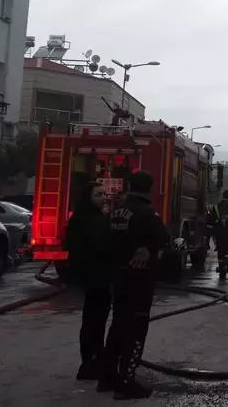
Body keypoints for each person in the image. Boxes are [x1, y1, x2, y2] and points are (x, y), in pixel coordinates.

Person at [102, 171, 169, 400]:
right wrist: (148, 249)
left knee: (117, 326)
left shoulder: (115, 211)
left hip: (117, 276)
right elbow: (164, 237)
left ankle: (107, 378)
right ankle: (126, 383)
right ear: (149, 188)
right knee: (136, 330)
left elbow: (109, 240)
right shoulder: (147, 212)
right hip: (139, 278)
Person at [66, 182, 111, 382]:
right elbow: (98, 243)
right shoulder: (85, 219)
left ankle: (95, 359)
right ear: (88, 198)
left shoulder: (91, 217)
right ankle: (90, 363)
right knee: (93, 320)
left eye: (104, 193)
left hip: (98, 276)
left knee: (97, 320)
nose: (103, 197)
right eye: (98, 194)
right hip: (94, 276)